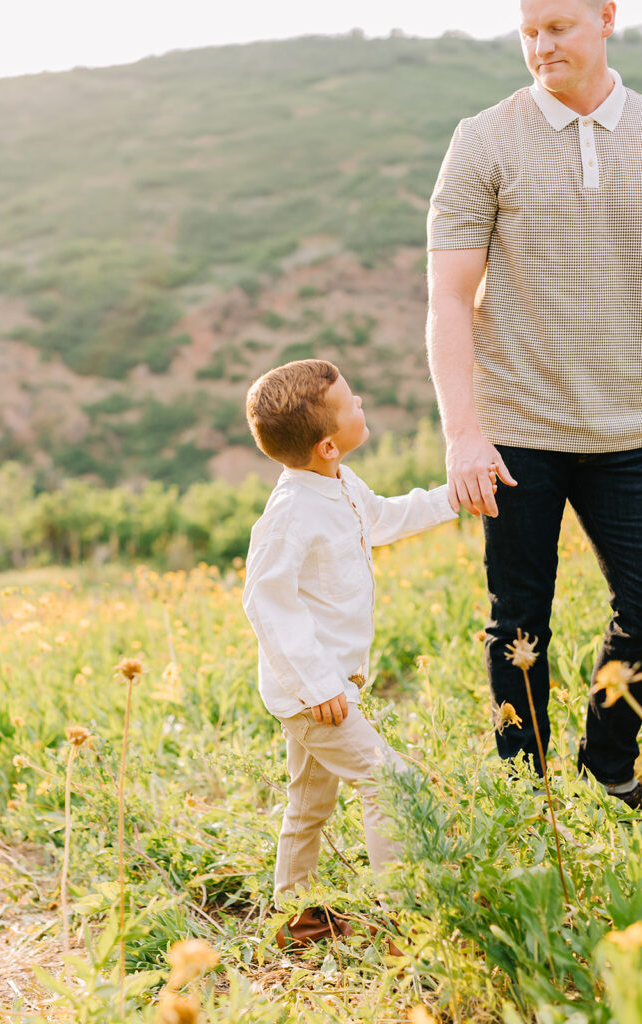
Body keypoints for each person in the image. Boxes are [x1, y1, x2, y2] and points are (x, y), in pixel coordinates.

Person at [426, 0, 642, 809]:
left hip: (631, 426)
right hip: (516, 429)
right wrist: (462, 435)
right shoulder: (481, 139)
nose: (539, 44)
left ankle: (609, 757)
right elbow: (446, 298)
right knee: (518, 627)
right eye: (527, 31)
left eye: (556, 25)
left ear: (606, 18)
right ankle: (526, 800)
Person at [243, 358, 457, 948]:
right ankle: (405, 915)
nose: (362, 400)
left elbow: (384, 517)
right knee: (389, 781)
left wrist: (452, 499)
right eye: (352, 401)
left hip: (330, 687)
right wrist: (318, 686)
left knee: (309, 801)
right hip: (312, 693)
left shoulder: (341, 484)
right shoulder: (290, 514)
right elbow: (266, 602)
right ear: (330, 444)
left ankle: (297, 916)